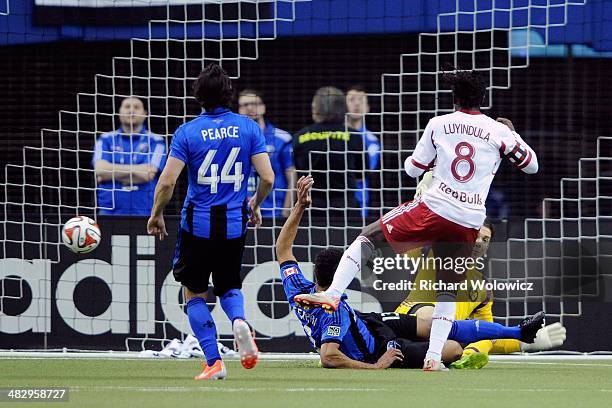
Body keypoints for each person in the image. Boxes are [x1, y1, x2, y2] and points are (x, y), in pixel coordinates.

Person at [294, 69, 539, 371]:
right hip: (469, 220)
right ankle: (434, 358)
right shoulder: (498, 131)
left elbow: (412, 169)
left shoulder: (439, 123)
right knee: (448, 289)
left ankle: (332, 294)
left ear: (454, 98)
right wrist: (511, 134)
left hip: (434, 210)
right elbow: (531, 166)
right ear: (483, 98)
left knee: (369, 238)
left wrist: (433, 161)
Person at [276, 176, 545, 369]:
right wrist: (377, 366)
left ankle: (519, 332)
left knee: (433, 325)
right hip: (375, 349)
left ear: (315, 274)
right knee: (451, 347)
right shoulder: (330, 313)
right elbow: (329, 357)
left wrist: (299, 206)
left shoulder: (298, 289)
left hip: (369, 323)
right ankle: (511, 336)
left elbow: (282, 250)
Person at [146, 64, 275, 380]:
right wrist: (254, 204)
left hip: (197, 225)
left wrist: (156, 214)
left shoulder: (187, 132)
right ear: (229, 95)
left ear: (198, 96)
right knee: (230, 285)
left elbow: (166, 182)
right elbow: (268, 177)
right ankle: (239, 322)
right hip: (234, 223)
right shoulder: (248, 128)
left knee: (194, 292)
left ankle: (214, 362)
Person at [394, 209, 566, 369]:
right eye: (475, 236)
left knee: (454, 349)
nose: (479, 243)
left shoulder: (483, 288)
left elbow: (488, 335)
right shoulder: (437, 253)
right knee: (433, 318)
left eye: (485, 240)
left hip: (431, 343)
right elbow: (421, 229)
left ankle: (409, 357)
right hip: (405, 324)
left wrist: (524, 343)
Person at [293, 86, 368, 222]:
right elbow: (362, 173)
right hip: (346, 208)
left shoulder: (300, 136)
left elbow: (299, 172)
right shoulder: (354, 136)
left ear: (317, 108)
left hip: (311, 207)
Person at [93, 97, 166, 216]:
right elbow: (100, 170)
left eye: (136, 107)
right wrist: (137, 171)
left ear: (145, 114)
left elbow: (148, 174)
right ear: (119, 112)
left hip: (145, 214)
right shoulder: (105, 139)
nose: (131, 110)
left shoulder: (156, 141)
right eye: (127, 106)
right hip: (109, 213)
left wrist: (111, 173)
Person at [238, 89, 296, 218]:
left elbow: (292, 177)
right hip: (242, 214)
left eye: (254, 103)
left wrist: (286, 211)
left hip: (274, 212)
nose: (250, 108)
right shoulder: (233, 140)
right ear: (239, 111)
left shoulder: (282, 138)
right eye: (244, 105)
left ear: (263, 107)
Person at [346, 86, 381, 217]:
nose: (356, 103)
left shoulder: (372, 141)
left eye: (361, 100)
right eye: (352, 99)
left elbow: (364, 171)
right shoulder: (334, 135)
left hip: (359, 201)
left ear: (367, 108)